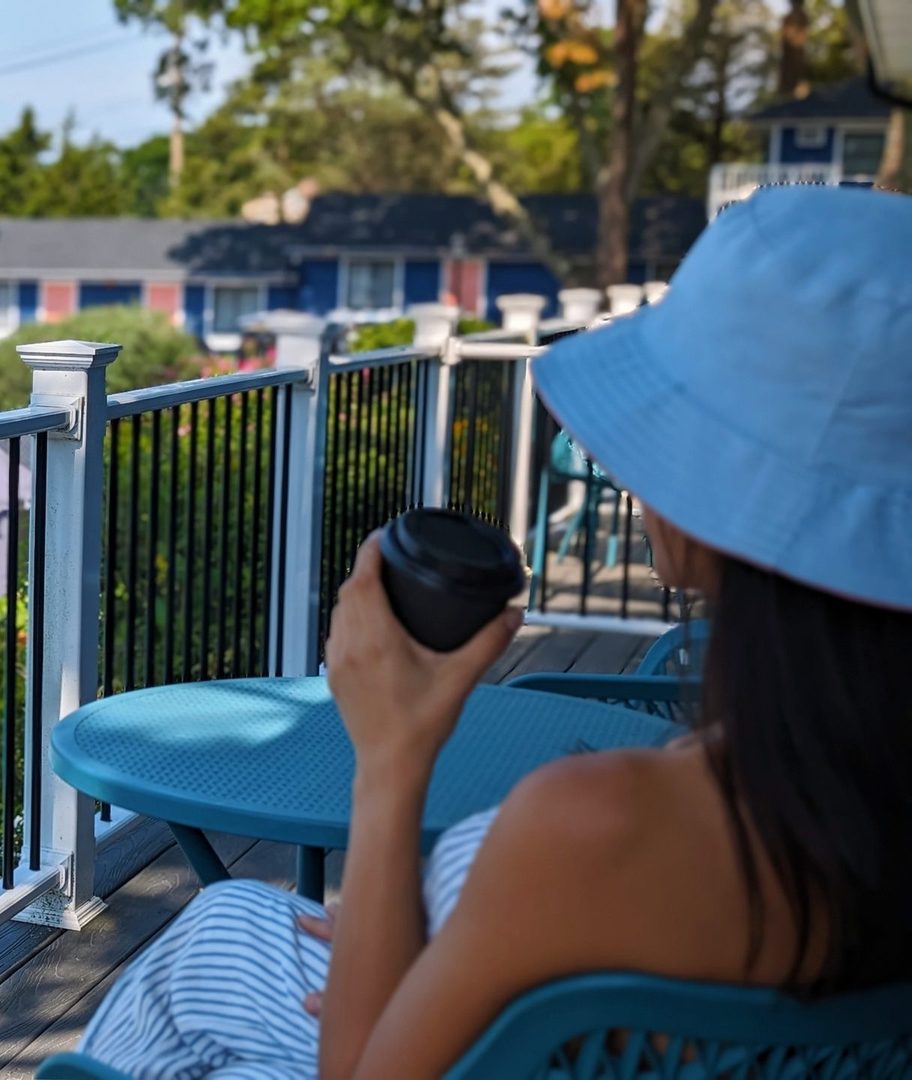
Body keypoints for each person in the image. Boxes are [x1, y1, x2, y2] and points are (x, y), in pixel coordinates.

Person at [75, 185, 912, 1078]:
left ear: (732, 501)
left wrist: (393, 757)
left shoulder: (603, 826)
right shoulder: (819, 787)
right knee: (225, 920)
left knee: (191, 978)